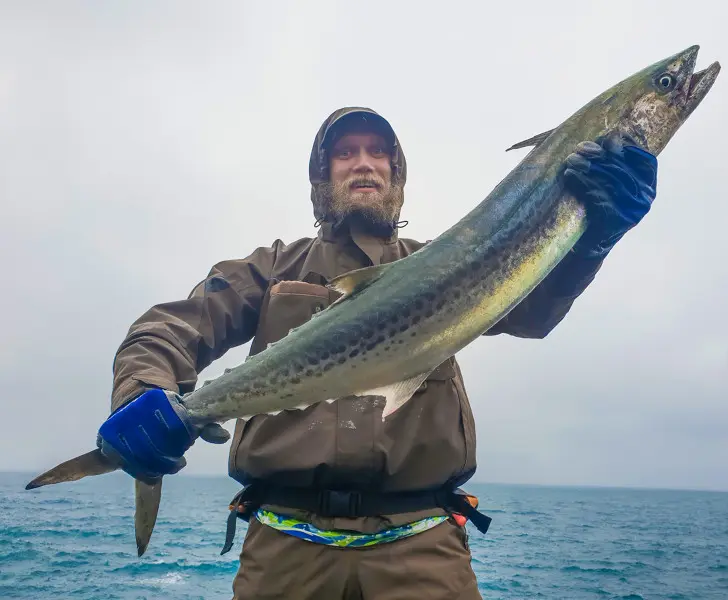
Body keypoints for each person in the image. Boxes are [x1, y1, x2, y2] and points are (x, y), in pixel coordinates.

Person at [96, 107, 657, 599]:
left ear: (397, 175)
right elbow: (168, 329)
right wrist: (142, 393)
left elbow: (533, 311)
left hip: (424, 550)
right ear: (321, 178)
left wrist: (593, 237)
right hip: (283, 556)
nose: (363, 164)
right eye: (344, 154)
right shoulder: (270, 270)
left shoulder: (452, 261)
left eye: (377, 153)